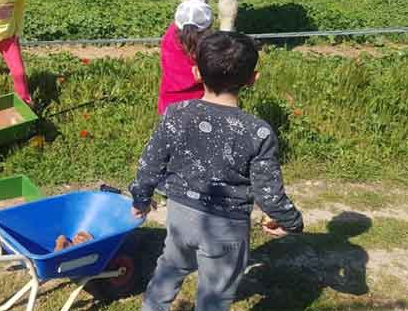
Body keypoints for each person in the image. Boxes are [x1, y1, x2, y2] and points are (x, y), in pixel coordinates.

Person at [130, 31, 304, 311]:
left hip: (180, 217)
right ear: (252, 79)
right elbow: (269, 193)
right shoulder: (258, 131)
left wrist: (140, 199)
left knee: (170, 267)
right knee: (215, 296)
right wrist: (291, 222)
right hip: (227, 228)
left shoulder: (176, 112)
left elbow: (150, 162)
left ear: (196, 72)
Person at [158, 0, 213, 115]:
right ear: (208, 25)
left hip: (169, 105)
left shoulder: (169, 36)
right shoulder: (208, 45)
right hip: (200, 106)